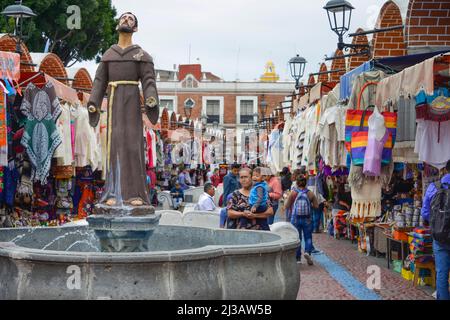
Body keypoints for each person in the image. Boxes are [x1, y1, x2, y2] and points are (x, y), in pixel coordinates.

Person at [88, 12, 159, 207]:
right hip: (113, 103)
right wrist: (93, 101)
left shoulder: (141, 56)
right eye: (123, 17)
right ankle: (113, 193)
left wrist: (151, 98)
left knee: (132, 145)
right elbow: (99, 81)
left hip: (132, 103)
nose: (126, 20)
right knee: (115, 145)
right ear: (117, 25)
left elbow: (149, 81)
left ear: (135, 28)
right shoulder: (108, 55)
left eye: (131, 19)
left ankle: (135, 194)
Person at [421, 160, 450, 300]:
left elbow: (425, 213)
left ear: (445, 170)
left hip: (439, 237)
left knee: (442, 274)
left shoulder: (433, 187)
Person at [284, 174, 319, 265]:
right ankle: (307, 252)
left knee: (297, 238)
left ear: (297, 183)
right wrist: (310, 205)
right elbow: (316, 206)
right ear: (305, 182)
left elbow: (287, 206)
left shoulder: (293, 193)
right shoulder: (310, 193)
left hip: (295, 218)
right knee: (308, 237)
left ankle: (298, 258)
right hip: (307, 218)